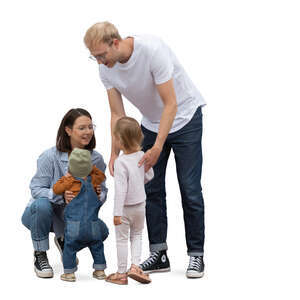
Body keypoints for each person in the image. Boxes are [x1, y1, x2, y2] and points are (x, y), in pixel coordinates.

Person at [84, 21, 206, 278]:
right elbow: (117, 114)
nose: (99, 62)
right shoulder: (107, 70)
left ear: (114, 43)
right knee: (149, 189)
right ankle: (159, 253)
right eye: (94, 57)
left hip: (185, 119)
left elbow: (170, 104)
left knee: (190, 188)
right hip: (150, 124)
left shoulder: (152, 50)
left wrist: (158, 146)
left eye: (102, 55)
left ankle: (196, 255)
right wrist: (115, 153)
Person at [21, 108, 108, 278]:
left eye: (90, 127)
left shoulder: (96, 159)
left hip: (74, 217)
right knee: (41, 205)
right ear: (68, 130)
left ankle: (65, 241)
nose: (88, 132)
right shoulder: (49, 156)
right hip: (41, 214)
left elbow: (104, 190)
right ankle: (40, 254)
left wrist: (98, 195)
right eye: (82, 128)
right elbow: (36, 189)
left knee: (101, 231)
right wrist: (61, 196)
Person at [105, 117, 153, 285]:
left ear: (120, 140)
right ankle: (135, 266)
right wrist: (139, 181)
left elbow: (121, 190)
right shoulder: (142, 156)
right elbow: (150, 175)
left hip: (125, 208)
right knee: (137, 235)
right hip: (141, 205)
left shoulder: (120, 162)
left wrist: (117, 213)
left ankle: (121, 274)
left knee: (121, 239)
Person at [53, 148, 108, 282]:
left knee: (69, 247)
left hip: (74, 226)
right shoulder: (94, 180)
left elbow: (56, 189)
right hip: (93, 225)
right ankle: (100, 271)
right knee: (97, 246)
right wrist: (92, 168)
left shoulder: (70, 181)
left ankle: (69, 273)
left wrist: (64, 178)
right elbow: (103, 176)